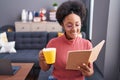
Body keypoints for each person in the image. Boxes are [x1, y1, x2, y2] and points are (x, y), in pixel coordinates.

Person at [39, 1, 94, 80]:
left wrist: (88, 72)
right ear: (62, 25)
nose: (74, 29)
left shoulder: (87, 44)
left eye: (77, 25)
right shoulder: (53, 43)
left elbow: (90, 71)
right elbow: (45, 68)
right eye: (69, 25)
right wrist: (41, 60)